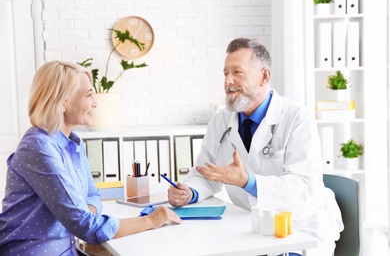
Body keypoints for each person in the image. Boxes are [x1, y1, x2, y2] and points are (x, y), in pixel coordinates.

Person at [167, 38, 343, 255]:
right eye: (225, 73)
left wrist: (246, 182)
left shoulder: (297, 117)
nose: (228, 81)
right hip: (249, 229)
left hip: (299, 228)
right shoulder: (221, 121)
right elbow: (205, 172)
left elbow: (303, 187)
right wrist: (190, 192)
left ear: (264, 76)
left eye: (237, 72)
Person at [0, 61, 182, 255]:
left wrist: (80, 216)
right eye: (88, 95)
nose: (95, 103)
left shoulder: (73, 144)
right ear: (62, 102)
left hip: (67, 248)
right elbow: (84, 225)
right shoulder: (39, 147)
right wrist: (151, 220)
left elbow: (93, 196)